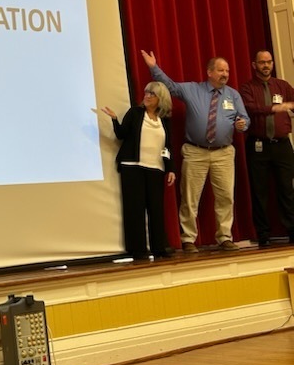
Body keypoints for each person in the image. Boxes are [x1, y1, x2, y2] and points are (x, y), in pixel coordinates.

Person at [141, 50, 249, 252]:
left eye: (227, 70)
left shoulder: (233, 95)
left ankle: (225, 236)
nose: (225, 74)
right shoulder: (192, 89)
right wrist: (153, 67)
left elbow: (244, 119)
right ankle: (188, 238)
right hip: (195, 151)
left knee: (226, 196)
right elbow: (170, 86)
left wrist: (243, 124)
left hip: (224, 152)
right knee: (190, 197)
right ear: (209, 72)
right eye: (220, 70)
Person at [102, 82, 176, 259]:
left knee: (156, 209)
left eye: (152, 93)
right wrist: (113, 119)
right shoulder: (135, 113)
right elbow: (121, 134)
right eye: (146, 92)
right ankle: (138, 250)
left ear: (161, 99)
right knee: (134, 209)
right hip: (133, 167)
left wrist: (170, 168)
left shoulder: (164, 120)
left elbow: (168, 146)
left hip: (156, 168)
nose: (147, 96)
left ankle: (159, 247)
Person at [238, 50, 294, 247]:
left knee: (287, 189)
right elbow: (250, 109)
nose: (266, 65)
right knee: (259, 191)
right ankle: (263, 234)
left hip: (282, 145)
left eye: (269, 62)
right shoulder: (247, 88)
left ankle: (292, 230)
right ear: (254, 65)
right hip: (258, 145)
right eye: (262, 62)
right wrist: (273, 108)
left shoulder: (283, 86)